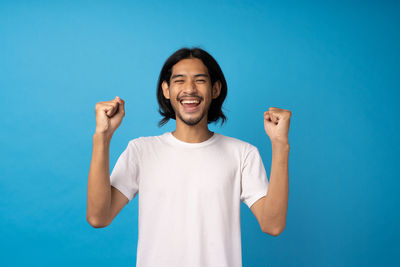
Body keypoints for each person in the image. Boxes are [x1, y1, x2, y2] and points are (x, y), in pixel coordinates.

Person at [87, 47, 291, 267]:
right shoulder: (141, 151)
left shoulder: (242, 154)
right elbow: (99, 217)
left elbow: (273, 225)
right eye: (179, 80)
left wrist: (281, 145)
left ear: (215, 89)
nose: (190, 89)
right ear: (166, 89)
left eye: (200, 80)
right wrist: (102, 137)